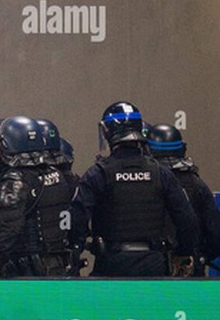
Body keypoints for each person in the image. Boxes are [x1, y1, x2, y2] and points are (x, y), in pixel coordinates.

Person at [69, 102, 198, 277]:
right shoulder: (160, 172)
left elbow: (78, 219)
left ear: (107, 131)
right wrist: (183, 253)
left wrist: (75, 253)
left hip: (111, 264)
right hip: (154, 263)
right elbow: (187, 219)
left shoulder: (98, 173)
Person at [0, 117, 75, 279]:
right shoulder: (56, 173)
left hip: (27, 268)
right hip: (58, 262)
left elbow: (10, 227)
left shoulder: (16, 179)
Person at [147, 124, 220, 274]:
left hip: (151, 269)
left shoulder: (146, 183)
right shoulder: (197, 184)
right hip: (189, 271)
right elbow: (214, 235)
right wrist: (198, 256)